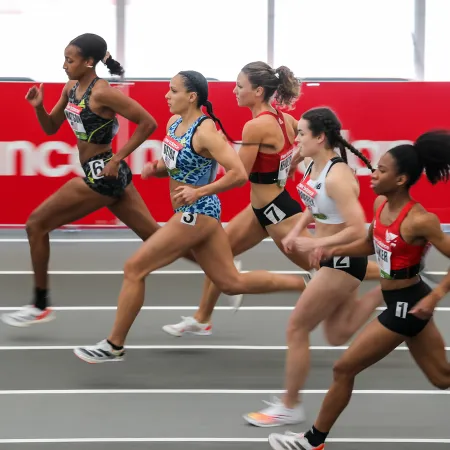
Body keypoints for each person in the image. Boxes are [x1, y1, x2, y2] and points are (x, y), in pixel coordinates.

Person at [72, 70, 308, 363]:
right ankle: (305, 285)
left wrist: (199, 192)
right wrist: (156, 169)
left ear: (191, 96)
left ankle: (114, 345)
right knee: (230, 282)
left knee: (135, 268)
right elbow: (175, 163)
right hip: (193, 214)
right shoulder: (174, 123)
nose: (166, 96)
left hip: (197, 213)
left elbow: (237, 174)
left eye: (173, 91)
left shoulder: (206, 131)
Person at [162, 62, 380, 338]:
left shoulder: (255, 127)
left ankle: (391, 272)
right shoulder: (284, 119)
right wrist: (288, 166)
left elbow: (238, 174)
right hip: (261, 209)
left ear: (258, 91)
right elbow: (297, 149)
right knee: (219, 257)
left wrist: (200, 188)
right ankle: (202, 318)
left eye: (240, 86)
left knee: (326, 264)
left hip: (275, 212)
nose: (235, 90)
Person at [267, 130, 450, 450]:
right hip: (399, 299)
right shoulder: (381, 204)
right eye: (375, 167)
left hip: (409, 304)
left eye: (381, 170)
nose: (372, 174)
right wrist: (331, 251)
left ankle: (313, 441)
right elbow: (369, 243)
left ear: (401, 179)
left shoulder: (421, 220)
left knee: (344, 368)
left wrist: (435, 297)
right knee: (441, 378)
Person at [1, 33, 160, 328]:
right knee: (159, 239)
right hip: (106, 174)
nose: (64, 65)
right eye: (64, 58)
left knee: (36, 224)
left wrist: (116, 158)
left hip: (104, 173)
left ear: (89, 62)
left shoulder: (103, 93)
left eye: (70, 60)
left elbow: (148, 123)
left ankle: (40, 304)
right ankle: (224, 268)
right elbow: (50, 128)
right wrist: (38, 107)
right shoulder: (71, 88)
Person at [243, 107, 384, 427]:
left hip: (342, 260)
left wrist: (317, 244)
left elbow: (358, 228)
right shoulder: (313, 167)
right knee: (336, 334)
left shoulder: (337, 176)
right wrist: (296, 233)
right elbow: (311, 204)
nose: (296, 139)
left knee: (297, 327)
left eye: (302, 134)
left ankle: (290, 405)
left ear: (320, 138)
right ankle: (384, 293)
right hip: (330, 259)